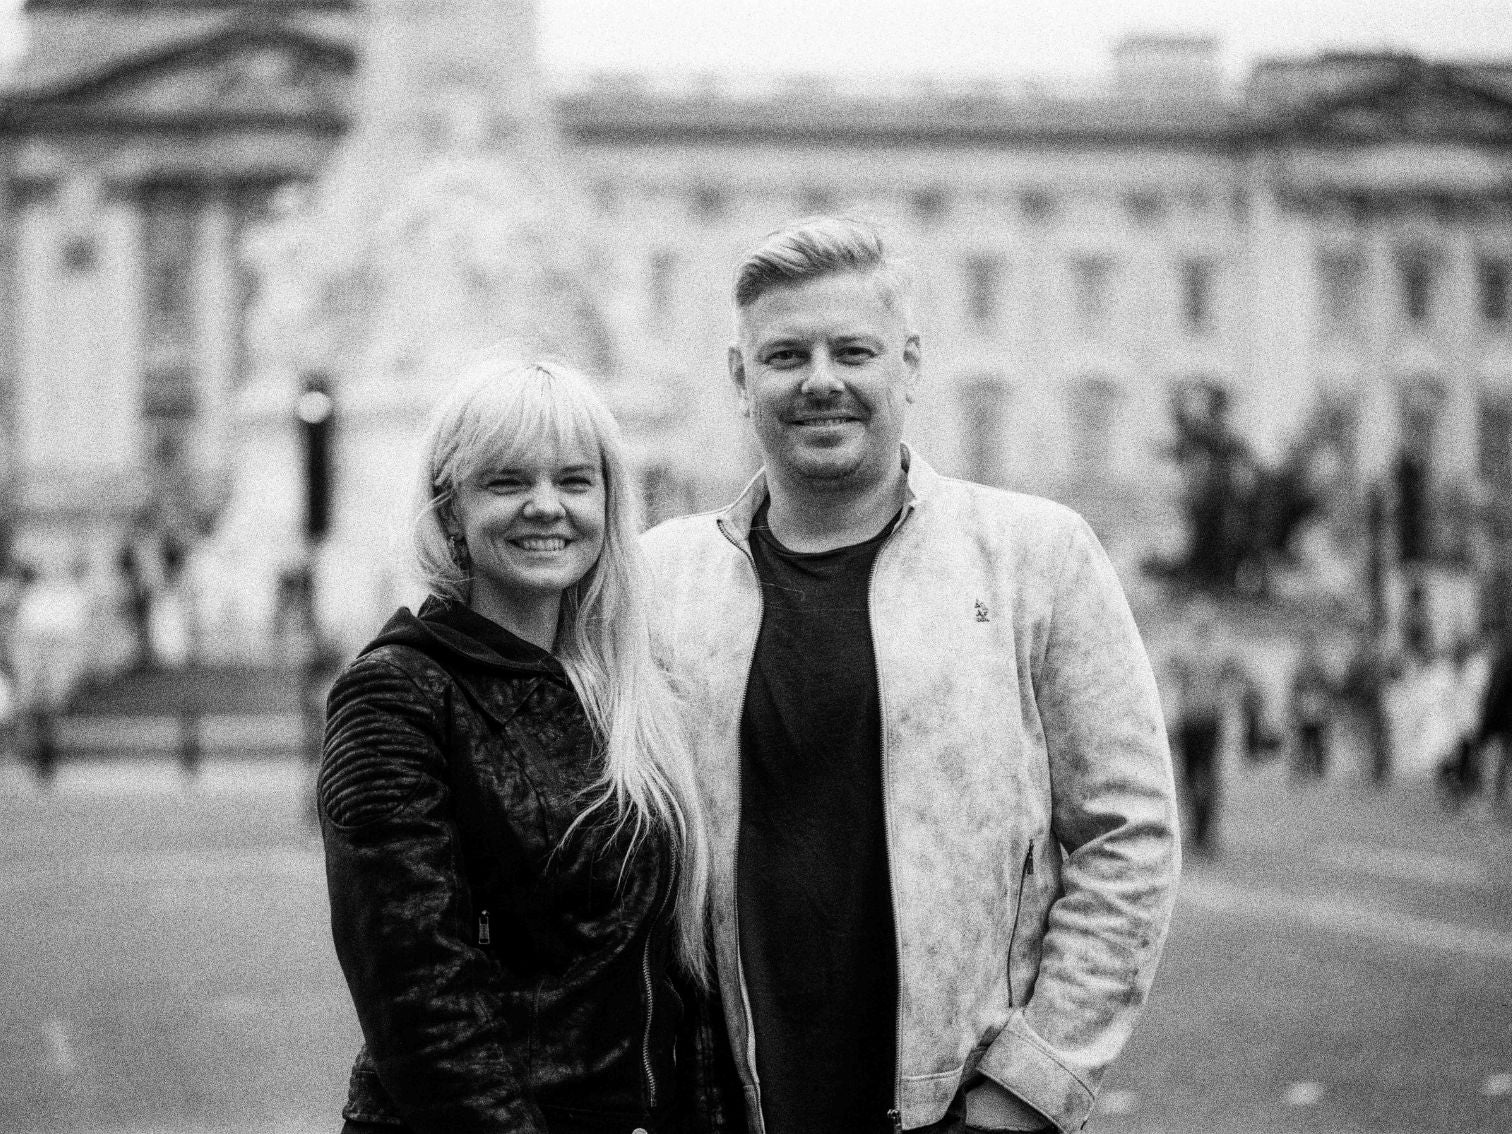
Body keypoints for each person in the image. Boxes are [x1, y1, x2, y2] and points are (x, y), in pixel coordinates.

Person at [643, 217, 1181, 1134]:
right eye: (785, 356)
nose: (821, 380)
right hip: (722, 1106)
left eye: (853, 350)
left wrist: (1030, 1088)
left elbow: (1127, 834)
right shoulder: (659, 576)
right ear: (741, 379)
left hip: (957, 1108)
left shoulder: (1036, 556)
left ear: (911, 366)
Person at [319, 357, 732, 1134]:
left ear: (609, 503)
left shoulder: (632, 685)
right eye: (507, 482)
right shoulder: (399, 693)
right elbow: (419, 1003)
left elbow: (676, 969)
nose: (547, 507)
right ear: (449, 513)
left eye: (575, 481)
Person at [1166, 602, 1248, 854]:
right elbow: (1169, 673)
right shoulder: (1187, 651)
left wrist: (1227, 695)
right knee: (1191, 778)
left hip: (1209, 721)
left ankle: (1206, 830)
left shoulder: (1219, 652)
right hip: (1190, 721)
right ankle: (1197, 829)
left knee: (1208, 777)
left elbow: (1238, 674)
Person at [1289, 630, 1334, 779]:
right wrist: (1293, 707)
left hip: (1318, 708)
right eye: (1306, 646)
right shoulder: (1299, 668)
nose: (1309, 650)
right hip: (1304, 708)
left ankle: (1318, 769)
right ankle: (1303, 767)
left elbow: (1327, 688)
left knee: (1318, 739)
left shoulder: (1320, 668)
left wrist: (1326, 707)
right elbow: (1294, 690)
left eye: (1311, 646)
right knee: (1304, 739)